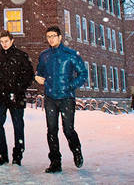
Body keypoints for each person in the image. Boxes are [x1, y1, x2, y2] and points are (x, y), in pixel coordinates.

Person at [34, 26, 87, 174]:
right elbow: (40, 71)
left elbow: (83, 74)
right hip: (50, 97)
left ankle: (77, 152)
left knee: (68, 129)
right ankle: (55, 162)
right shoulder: (44, 55)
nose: (50, 39)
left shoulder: (70, 55)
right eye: (48, 36)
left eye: (53, 36)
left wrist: (71, 86)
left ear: (60, 37)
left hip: (66, 98)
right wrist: (38, 76)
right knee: (52, 130)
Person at [0, 30, 35, 166]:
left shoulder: (21, 56)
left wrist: (17, 90)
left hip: (17, 97)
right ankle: (2, 154)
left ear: (12, 41)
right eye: (2, 42)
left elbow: (29, 76)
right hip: (0, 97)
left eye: (6, 41)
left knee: (18, 125)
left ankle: (18, 155)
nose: (4, 44)